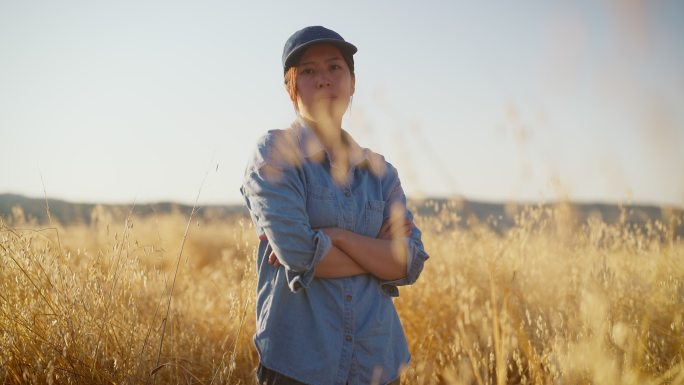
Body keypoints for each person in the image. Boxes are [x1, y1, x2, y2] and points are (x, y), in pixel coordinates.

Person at [240, 25, 429, 385]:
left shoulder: (381, 172)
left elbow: (410, 261)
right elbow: (299, 254)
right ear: (289, 87)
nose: (324, 79)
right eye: (308, 71)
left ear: (353, 82)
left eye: (334, 67)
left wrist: (336, 237)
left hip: (377, 364)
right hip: (300, 365)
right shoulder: (275, 154)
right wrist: (378, 254)